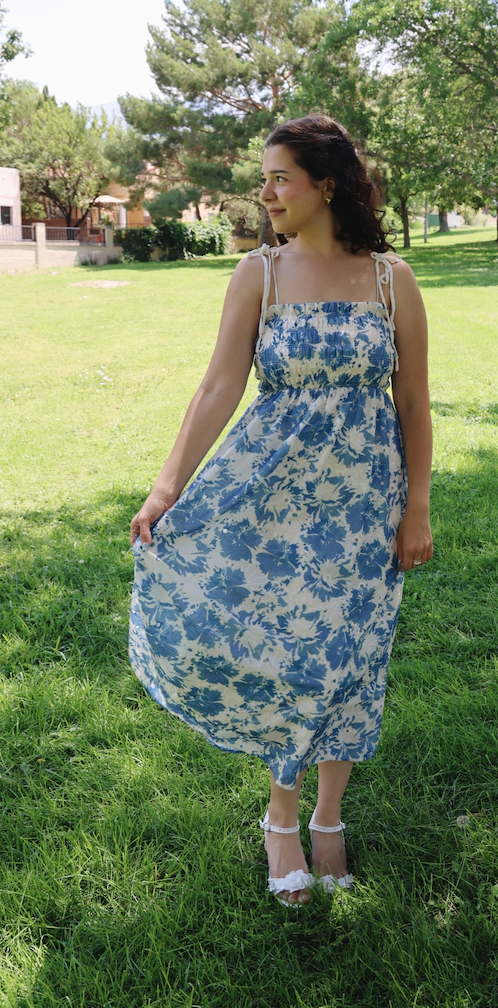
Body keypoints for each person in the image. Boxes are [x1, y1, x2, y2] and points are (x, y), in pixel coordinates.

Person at [129, 115, 432, 907]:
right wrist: (167, 488)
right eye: (262, 179)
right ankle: (283, 820)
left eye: (278, 178)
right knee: (293, 657)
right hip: (277, 501)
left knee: (353, 658)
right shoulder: (258, 274)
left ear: (325, 185)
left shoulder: (391, 279)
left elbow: (413, 400)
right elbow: (219, 386)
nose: (265, 193)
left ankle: (330, 818)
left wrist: (418, 507)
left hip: (366, 502)